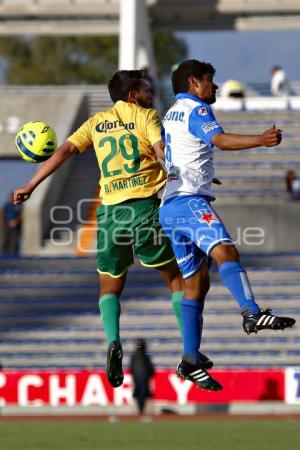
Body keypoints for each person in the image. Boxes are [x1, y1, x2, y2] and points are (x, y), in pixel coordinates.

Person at [14, 69, 216, 389]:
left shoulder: (96, 123)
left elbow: (65, 150)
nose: (152, 93)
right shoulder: (147, 116)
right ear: (133, 95)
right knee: (178, 280)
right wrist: (183, 170)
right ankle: (191, 352)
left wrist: (31, 184)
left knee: (109, 288)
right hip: (145, 208)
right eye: (147, 89)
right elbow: (161, 148)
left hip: (108, 214)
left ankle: (113, 342)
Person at [159, 59, 296, 391]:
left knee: (196, 285)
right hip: (189, 200)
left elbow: (170, 151)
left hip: (171, 204)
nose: (214, 87)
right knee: (226, 251)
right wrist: (261, 140)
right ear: (194, 82)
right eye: (210, 80)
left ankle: (191, 358)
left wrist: (197, 174)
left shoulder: (171, 112)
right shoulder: (197, 110)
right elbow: (218, 141)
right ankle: (251, 312)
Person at [130, 338, 155, 415]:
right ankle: (141, 410)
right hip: (144, 379)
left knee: (139, 395)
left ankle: (140, 410)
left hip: (137, 379)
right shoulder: (145, 356)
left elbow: (131, 368)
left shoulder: (134, 356)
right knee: (143, 395)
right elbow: (151, 369)